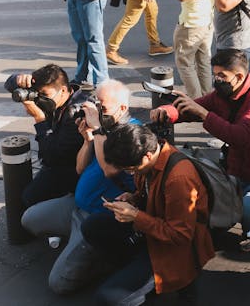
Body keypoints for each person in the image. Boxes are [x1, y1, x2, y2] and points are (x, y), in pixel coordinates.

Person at [151, 49, 250, 252]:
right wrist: (167, 111)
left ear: (240, 76)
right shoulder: (221, 95)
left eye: (222, 75)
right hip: (233, 171)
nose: (216, 79)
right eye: (215, 74)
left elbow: (240, 136)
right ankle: (232, 211)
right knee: (211, 214)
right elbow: (191, 107)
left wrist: (205, 115)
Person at [21, 79, 136, 294]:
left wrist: (99, 129)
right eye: (96, 105)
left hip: (98, 218)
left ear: (122, 108)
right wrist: (87, 140)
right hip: (76, 206)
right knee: (28, 219)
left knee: (59, 284)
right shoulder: (102, 130)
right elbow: (80, 169)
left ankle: (103, 258)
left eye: (103, 107)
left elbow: (110, 170)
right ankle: (77, 245)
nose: (98, 112)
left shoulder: (132, 133)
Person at [83, 124, 214, 305]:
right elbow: (149, 192)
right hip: (153, 229)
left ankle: (176, 281)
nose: (131, 173)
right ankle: (134, 269)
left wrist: (136, 216)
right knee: (93, 225)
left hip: (177, 249)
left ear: (148, 156)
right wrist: (134, 198)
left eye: (131, 169)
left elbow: (180, 235)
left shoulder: (179, 178)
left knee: (106, 299)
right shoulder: (150, 157)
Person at [5, 64, 86, 208]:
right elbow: (9, 85)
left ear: (63, 90)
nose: (40, 100)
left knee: (29, 198)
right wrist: (19, 79)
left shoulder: (77, 114)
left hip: (71, 169)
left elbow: (52, 156)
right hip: (55, 160)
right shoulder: (54, 99)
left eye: (45, 95)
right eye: (38, 94)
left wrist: (39, 118)